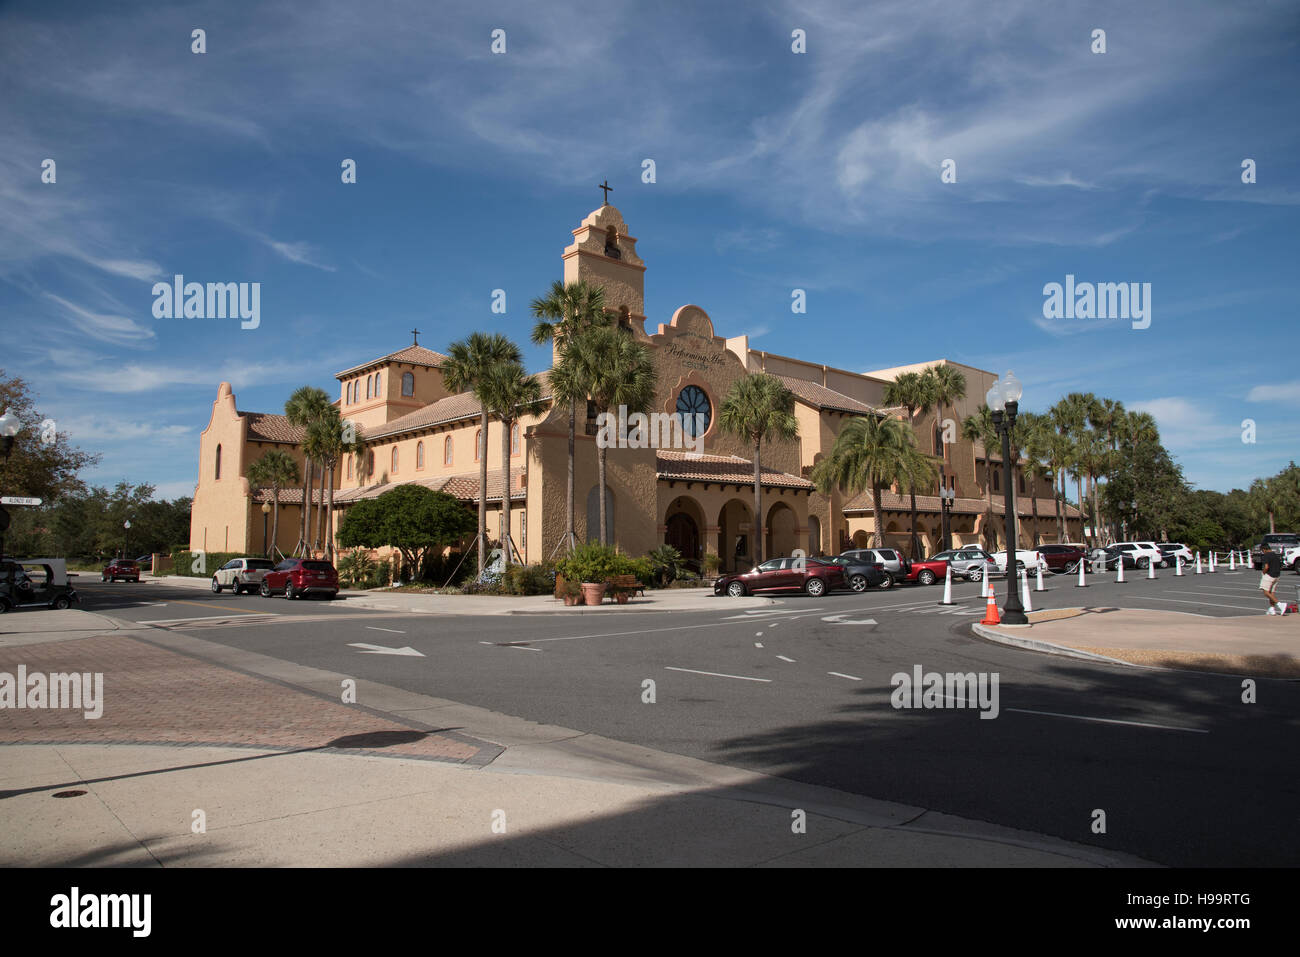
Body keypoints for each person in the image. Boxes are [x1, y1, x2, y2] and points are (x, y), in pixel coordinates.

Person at [1259, 542, 1285, 615]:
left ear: (1264, 549)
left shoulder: (1266, 555)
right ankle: (1272, 609)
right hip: (1277, 576)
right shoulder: (1275, 555)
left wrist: (1264, 572)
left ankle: (1280, 604)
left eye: (1262, 550)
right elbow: (1281, 566)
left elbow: (1266, 567)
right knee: (1271, 593)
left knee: (1266, 592)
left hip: (1269, 575)